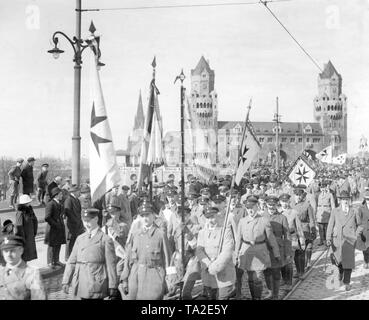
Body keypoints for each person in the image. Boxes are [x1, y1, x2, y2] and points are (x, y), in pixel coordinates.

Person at [62, 208, 120, 300]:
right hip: (81, 281)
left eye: (89, 221)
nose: (86, 224)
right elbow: (71, 261)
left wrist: (112, 285)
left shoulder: (105, 239)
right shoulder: (80, 239)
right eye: (84, 221)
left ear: (96, 219)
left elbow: (111, 264)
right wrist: (66, 281)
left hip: (96, 281)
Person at [120, 202, 172, 300]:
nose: (145, 218)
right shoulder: (135, 234)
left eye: (147, 215)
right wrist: (125, 279)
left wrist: (170, 280)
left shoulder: (160, 235)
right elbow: (128, 258)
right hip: (135, 276)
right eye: (142, 216)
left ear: (153, 215)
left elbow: (168, 259)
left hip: (154, 275)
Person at [235, 195, 280, 300]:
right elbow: (238, 240)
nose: (250, 210)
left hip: (260, 251)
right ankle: (254, 297)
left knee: (257, 277)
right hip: (246, 251)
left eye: (252, 208)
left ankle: (257, 298)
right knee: (250, 277)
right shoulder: (242, 221)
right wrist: (236, 254)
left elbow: (271, 239)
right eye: (248, 208)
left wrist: (276, 253)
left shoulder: (263, 220)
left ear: (257, 207)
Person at [326, 190, 364, 291]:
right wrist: (328, 238)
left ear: (349, 200)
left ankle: (347, 282)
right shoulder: (335, 211)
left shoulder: (354, 211)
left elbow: (360, 225)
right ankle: (339, 274)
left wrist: (355, 235)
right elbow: (330, 225)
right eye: (343, 200)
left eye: (347, 199)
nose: (345, 201)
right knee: (337, 262)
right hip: (336, 240)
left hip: (349, 241)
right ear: (340, 201)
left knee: (348, 262)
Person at [196, 206, 235, 300]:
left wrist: (215, 266)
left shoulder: (225, 231)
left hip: (224, 273)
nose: (211, 220)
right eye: (208, 218)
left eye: (213, 217)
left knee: (223, 297)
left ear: (218, 216)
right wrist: (209, 264)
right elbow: (199, 251)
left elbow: (227, 251)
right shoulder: (202, 233)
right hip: (208, 273)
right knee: (210, 297)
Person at [262, 196, 291, 300]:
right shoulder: (261, 216)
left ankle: (275, 295)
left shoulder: (282, 217)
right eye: (270, 205)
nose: (272, 207)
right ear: (266, 205)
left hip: (278, 248)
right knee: (266, 271)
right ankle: (270, 291)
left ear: (276, 205)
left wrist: (288, 252)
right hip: (264, 247)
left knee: (276, 272)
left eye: (273, 205)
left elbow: (287, 236)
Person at [0, 235, 46, 300]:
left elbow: (39, 297)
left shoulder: (32, 273)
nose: (8, 255)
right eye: (6, 251)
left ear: (21, 250)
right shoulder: (1, 272)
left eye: (12, 251)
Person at [279, 193, 304, 290]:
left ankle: (288, 282)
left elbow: (299, 227)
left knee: (289, 261)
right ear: (280, 202)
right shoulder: (278, 213)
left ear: (289, 202)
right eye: (282, 202)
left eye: (286, 202)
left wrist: (301, 240)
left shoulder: (294, 212)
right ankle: (284, 278)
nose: (284, 204)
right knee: (282, 260)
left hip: (292, 238)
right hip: (281, 240)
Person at [292, 184, 316, 272]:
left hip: (305, 228)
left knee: (308, 247)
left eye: (299, 195)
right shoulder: (292, 206)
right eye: (296, 195)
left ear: (303, 196)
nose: (298, 197)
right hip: (296, 230)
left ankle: (308, 261)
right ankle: (300, 269)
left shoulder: (307, 206)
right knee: (299, 250)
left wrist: (313, 230)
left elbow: (311, 219)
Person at [44, 187, 66, 268]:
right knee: (51, 245)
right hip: (52, 229)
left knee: (58, 244)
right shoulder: (51, 204)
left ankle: (56, 261)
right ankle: (50, 263)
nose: (62, 196)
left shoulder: (59, 203)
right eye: (60, 194)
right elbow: (47, 217)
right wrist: (56, 224)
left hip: (58, 228)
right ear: (56, 195)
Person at [14, 195, 38, 262]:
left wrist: (34, 232)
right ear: (25, 203)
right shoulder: (20, 213)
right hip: (24, 238)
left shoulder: (29, 210)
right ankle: (21, 271)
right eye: (28, 202)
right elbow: (19, 226)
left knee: (27, 256)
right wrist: (22, 239)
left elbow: (34, 220)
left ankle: (24, 269)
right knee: (23, 256)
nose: (30, 203)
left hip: (29, 236)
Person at [63, 185, 84, 261]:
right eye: (78, 191)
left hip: (77, 224)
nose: (79, 193)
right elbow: (67, 211)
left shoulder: (77, 200)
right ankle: (67, 257)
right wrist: (75, 220)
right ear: (74, 192)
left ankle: (74, 256)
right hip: (70, 225)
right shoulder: (69, 200)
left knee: (75, 240)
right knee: (70, 240)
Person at [316, 181, 335, 246]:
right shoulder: (318, 195)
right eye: (321, 188)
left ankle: (327, 241)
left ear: (326, 187)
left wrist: (334, 213)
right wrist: (316, 213)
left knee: (327, 228)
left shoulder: (330, 195)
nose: (322, 189)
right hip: (320, 213)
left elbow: (333, 205)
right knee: (320, 228)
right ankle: (321, 240)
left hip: (327, 212)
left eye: (323, 187)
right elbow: (316, 205)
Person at [357, 191, 369, 268]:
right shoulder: (361, 208)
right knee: (366, 248)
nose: (368, 200)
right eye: (367, 199)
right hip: (365, 230)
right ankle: (366, 260)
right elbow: (359, 220)